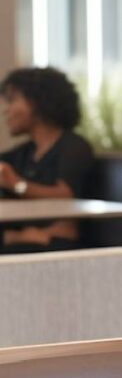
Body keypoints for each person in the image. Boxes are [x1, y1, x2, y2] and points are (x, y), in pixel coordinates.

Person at [0, 67, 95, 252]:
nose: (6, 110)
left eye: (12, 101)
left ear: (37, 103)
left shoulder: (73, 147)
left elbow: (66, 196)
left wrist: (17, 184)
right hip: (25, 237)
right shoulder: (23, 153)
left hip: (56, 243)